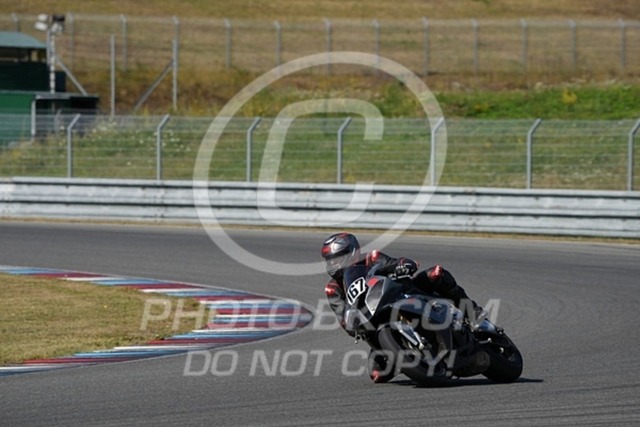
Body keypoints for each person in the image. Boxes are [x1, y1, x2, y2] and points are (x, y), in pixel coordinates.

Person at [321, 232, 488, 383]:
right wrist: (350, 323)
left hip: (405, 295)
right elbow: (342, 317)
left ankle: (472, 312)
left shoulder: (372, 259)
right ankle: (408, 359)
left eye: (337, 258)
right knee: (377, 373)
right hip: (374, 323)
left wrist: (403, 265)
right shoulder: (333, 289)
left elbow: (397, 262)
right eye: (330, 260)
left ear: (352, 252)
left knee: (436, 274)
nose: (333, 264)